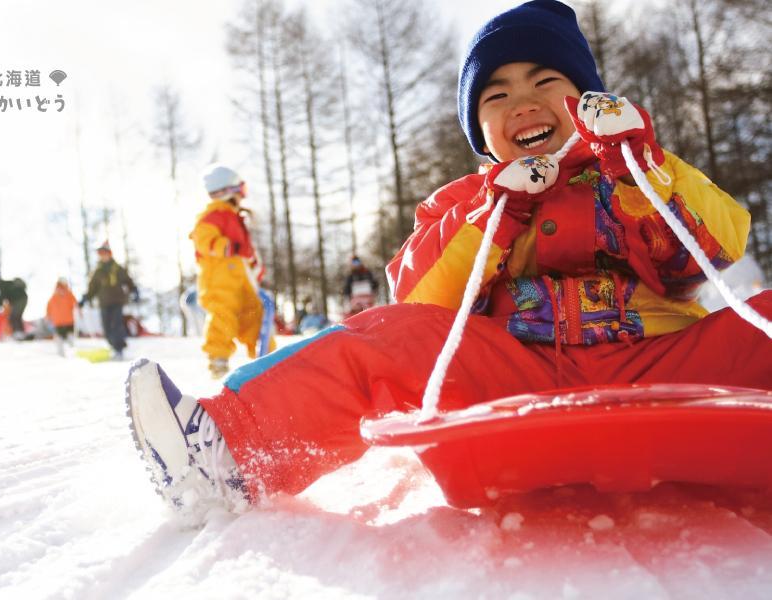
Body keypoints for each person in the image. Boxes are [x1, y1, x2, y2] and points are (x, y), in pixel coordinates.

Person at [127, 0, 772, 521]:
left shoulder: (637, 164)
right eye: (496, 96)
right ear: (479, 132)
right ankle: (229, 451)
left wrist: (641, 169)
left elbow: (715, 249)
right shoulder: (462, 201)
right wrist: (494, 217)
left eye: (547, 81)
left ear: (590, 101)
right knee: (383, 335)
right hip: (512, 374)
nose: (522, 101)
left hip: (658, 365)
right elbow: (422, 300)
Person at [189, 163, 272, 379]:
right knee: (223, 318)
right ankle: (218, 360)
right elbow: (202, 238)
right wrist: (221, 245)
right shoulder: (213, 215)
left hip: (243, 283)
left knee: (256, 319)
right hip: (219, 282)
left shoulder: (236, 219)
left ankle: (269, 361)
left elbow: (246, 252)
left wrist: (255, 268)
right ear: (228, 191)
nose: (242, 197)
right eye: (240, 191)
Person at [79, 242, 138, 360]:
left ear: (109, 254)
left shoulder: (117, 268)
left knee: (116, 325)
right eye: (100, 253)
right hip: (104, 303)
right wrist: (85, 298)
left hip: (117, 301)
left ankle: (119, 349)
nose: (102, 255)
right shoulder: (97, 271)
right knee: (106, 328)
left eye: (104, 253)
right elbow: (92, 288)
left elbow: (128, 281)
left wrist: (134, 291)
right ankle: (114, 347)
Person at [47, 277, 76, 355]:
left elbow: (49, 308)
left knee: (66, 337)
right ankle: (63, 351)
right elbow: (75, 304)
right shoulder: (68, 294)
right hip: (64, 321)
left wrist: (48, 317)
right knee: (63, 337)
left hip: (61, 321)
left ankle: (67, 351)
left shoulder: (55, 296)